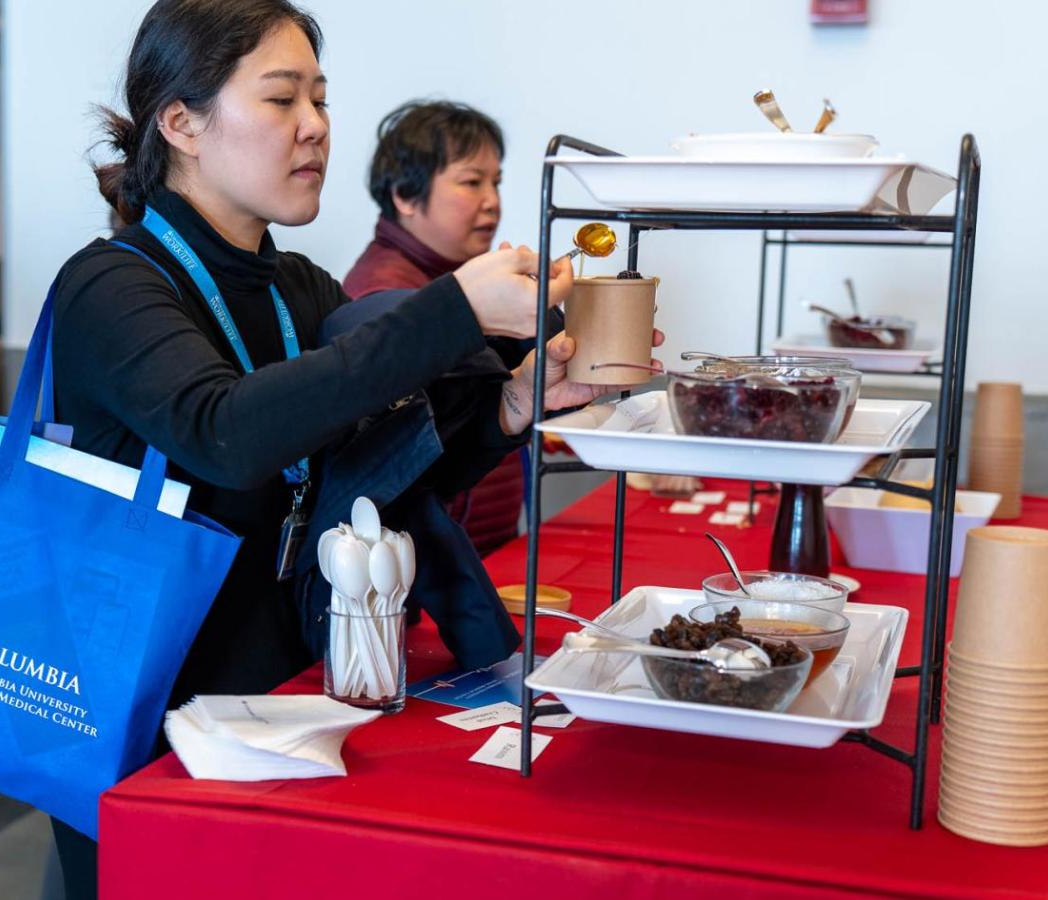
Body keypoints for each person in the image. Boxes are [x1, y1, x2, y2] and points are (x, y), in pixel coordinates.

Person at [44, 2, 651, 895]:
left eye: (321, 100)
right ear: (180, 123)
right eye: (281, 98)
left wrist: (512, 407)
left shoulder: (298, 287)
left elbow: (379, 474)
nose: (316, 126)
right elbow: (226, 433)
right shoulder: (111, 285)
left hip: (287, 698)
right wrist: (453, 311)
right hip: (146, 713)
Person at [343, 100, 529, 556]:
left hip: (481, 548)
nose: (493, 201)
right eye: (471, 182)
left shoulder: (456, 283)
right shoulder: (385, 298)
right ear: (405, 195)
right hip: (435, 566)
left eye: (496, 182)